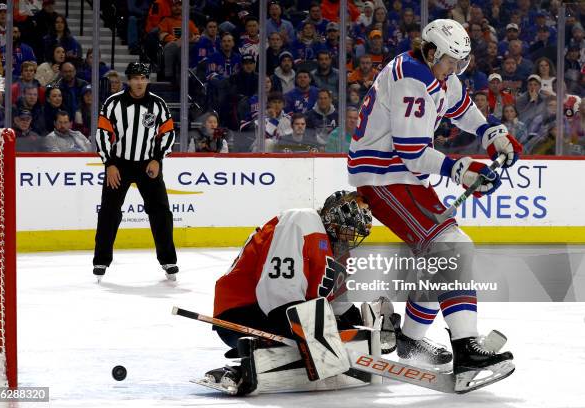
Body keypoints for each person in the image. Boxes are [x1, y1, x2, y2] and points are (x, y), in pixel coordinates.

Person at [347, 19, 518, 377]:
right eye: (450, 61)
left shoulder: (436, 72)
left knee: (438, 258)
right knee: (453, 248)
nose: (455, 69)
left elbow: (462, 107)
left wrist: (491, 133)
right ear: (430, 51)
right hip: (383, 178)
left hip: (401, 177)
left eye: (461, 62)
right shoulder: (412, 78)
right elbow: (411, 150)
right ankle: (466, 348)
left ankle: (410, 340)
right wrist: (460, 169)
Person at [207, 190, 372, 394]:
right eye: (349, 225)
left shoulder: (338, 251)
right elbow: (277, 290)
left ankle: (254, 366)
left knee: (327, 346)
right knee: (321, 351)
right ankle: (245, 368)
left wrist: (362, 329)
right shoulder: (303, 220)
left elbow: (337, 303)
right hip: (242, 313)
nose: (350, 234)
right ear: (333, 216)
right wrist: (319, 341)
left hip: (280, 313)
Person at [93, 62, 178, 282]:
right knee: (109, 213)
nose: (139, 82)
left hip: (148, 165)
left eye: (143, 78)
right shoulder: (113, 103)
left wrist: (158, 159)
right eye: (135, 78)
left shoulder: (158, 104)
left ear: (147, 80)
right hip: (118, 165)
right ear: (128, 80)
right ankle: (101, 260)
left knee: (161, 212)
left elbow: (168, 133)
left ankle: (168, 260)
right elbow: (102, 134)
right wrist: (109, 163)